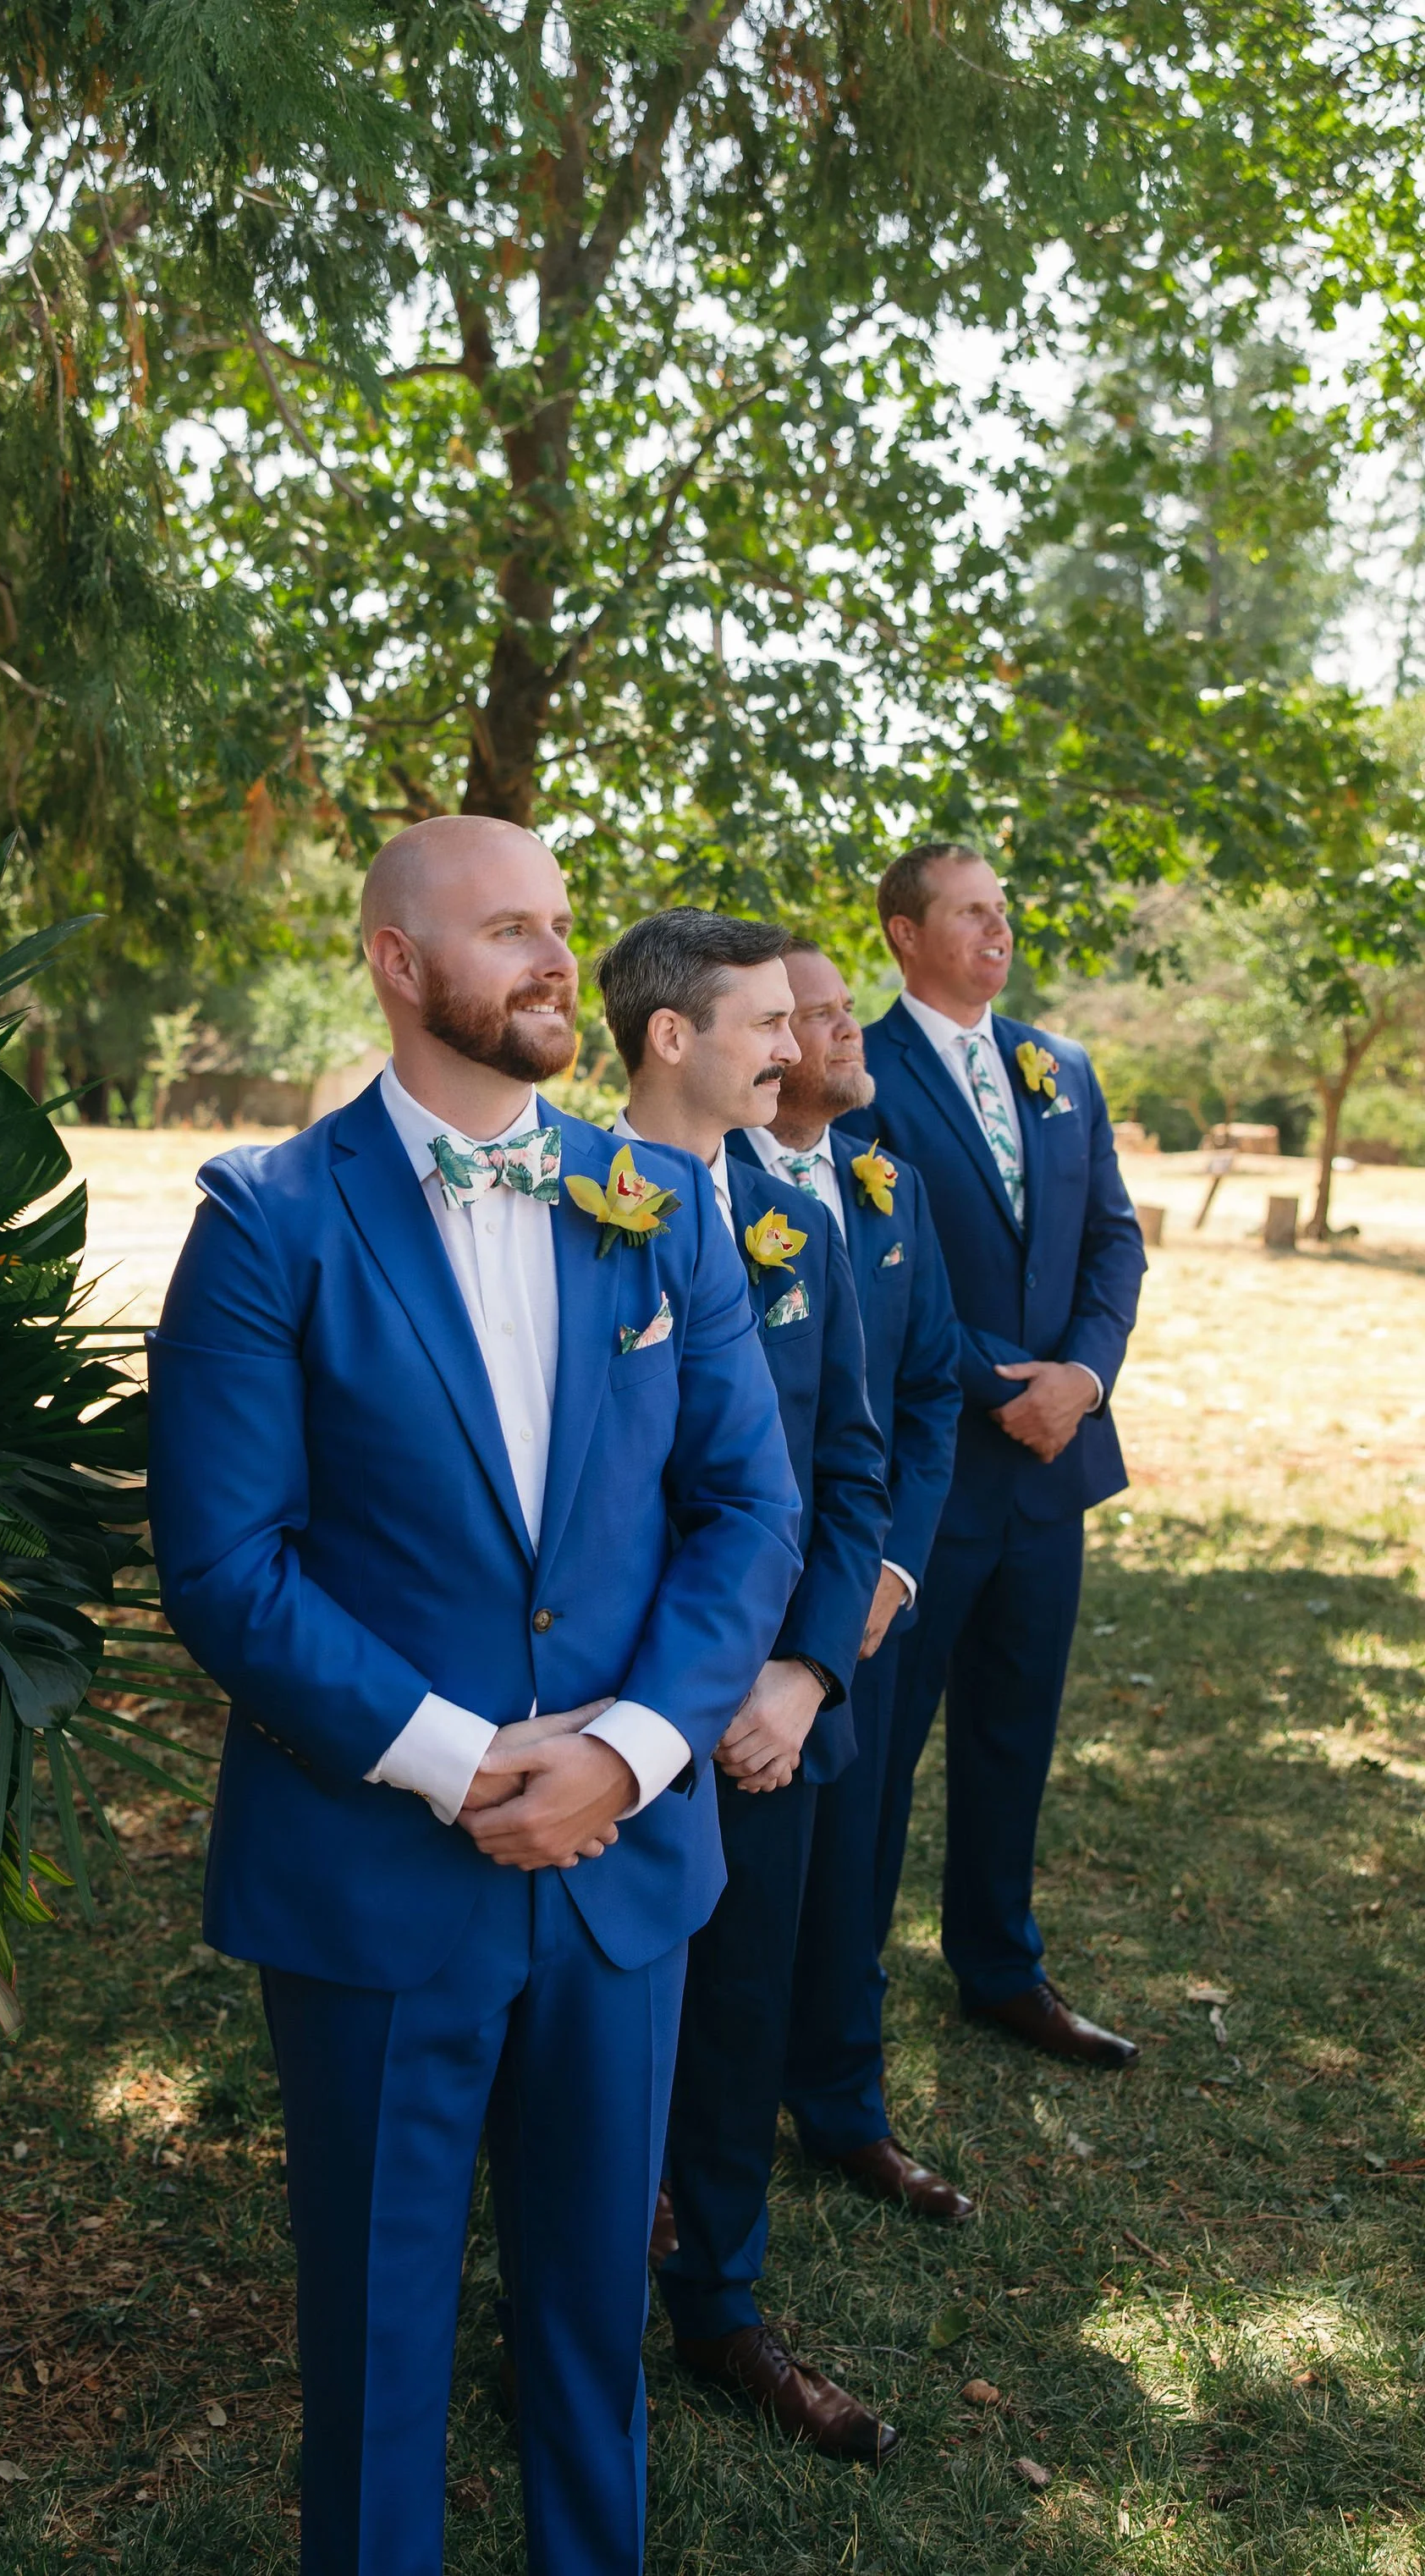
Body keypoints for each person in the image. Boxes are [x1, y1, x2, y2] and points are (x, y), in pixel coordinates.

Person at [147, 817, 805, 2576]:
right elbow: (225, 1563)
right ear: (390, 958)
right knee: (373, 2341)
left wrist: (629, 1748)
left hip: (623, 1881)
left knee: (594, 2322)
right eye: (505, 927)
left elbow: (750, 1509)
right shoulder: (264, 1222)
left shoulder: (656, 1206)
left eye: (559, 927)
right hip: (373, 1886)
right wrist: (452, 1760)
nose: (548, 961)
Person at [594, 910, 897, 2462]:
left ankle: (722, 2310)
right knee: (578, 2045)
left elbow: (850, 1470)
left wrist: (798, 1676)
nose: (800, 1049)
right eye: (771, 1024)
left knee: (741, 2018)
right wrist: (653, 1697)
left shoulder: (808, 1226)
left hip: (767, 1727)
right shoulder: (566, 1208)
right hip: (611, 1722)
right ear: (672, 1039)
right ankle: (568, 2331)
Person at [835, 843, 1147, 2070]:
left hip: (1053, 1464)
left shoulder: (1059, 1064)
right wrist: (994, 1385)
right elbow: (875, 1269)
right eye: (970, 913)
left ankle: (1001, 1969)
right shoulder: (863, 1073)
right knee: (884, 1750)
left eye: (1002, 913)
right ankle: (839, 1988)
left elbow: (1113, 1241)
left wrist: (1082, 1378)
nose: (997, 931)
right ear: (905, 935)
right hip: (934, 1474)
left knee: (1016, 1731)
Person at [724, 940, 970, 2223]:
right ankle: (677, 2147)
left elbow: (925, 1396)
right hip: (732, 1610)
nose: (844, 1032)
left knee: (852, 1869)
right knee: (721, 1903)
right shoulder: (706, 1190)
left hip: (857, 1605)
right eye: (814, 1017)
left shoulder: (889, 1192)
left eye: (835, 1010)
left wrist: (888, 1572)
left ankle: (843, 2107)